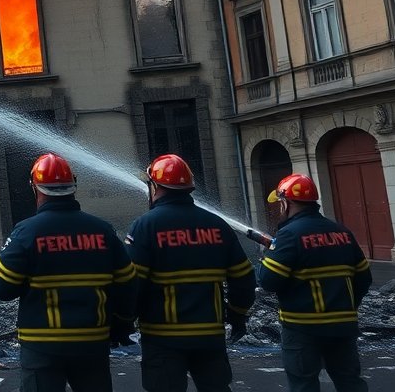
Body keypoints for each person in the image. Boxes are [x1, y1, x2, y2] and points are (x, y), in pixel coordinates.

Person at [0, 153, 135, 392]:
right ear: (73, 186)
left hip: (42, 346)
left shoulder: (26, 232)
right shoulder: (102, 230)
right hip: (92, 341)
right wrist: (121, 325)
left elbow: (2, 288)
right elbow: (128, 284)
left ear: (35, 188)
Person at [125, 154, 255, 392]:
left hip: (162, 338)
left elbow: (132, 284)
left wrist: (123, 322)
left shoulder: (145, 226)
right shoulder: (217, 225)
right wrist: (237, 315)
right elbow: (244, 278)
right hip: (210, 336)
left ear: (155, 186)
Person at [257, 173, 371, 392]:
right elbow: (364, 278)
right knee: (350, 382)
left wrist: (267, 257)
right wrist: (346, 306)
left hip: (303, 328)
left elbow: (268, 282)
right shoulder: (342, 232)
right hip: (343, 326)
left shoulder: (289, 235)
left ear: (287, 203)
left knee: (304, 384)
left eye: (280, 204)